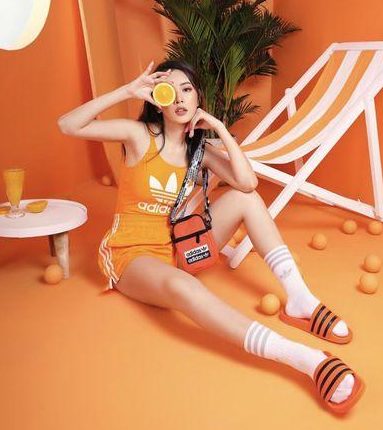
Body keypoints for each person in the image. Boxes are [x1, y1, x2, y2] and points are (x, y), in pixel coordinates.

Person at [57, 59, 364, 413]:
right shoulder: (138, 135)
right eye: (170, 91)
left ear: (198, 97)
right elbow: (67, 125)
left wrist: (218, 127)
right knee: (184, 287)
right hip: (132, 255)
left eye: (187, 89)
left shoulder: (199, 152)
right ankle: (304, 358)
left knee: (246, 199)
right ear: (158, 100)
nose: (180, 98)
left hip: (179, 248)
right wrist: (127, 91)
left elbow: (247, 183)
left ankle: (300, 300)